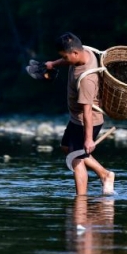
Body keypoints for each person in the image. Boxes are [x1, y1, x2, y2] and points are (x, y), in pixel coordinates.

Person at [45, 32, 115, 196]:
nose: (65, 60)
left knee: (75, 159)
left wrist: (89, 139)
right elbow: (67, 58)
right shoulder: (85, 53)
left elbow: (87, 112)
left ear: (75, 53)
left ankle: (81, 201)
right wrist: (53, 64)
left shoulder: (86, 80)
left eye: (65, 57)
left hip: (86, 121)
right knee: (66, 148)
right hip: (76, 119)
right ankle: (104, 174)